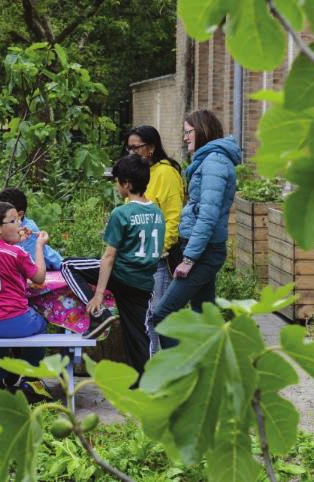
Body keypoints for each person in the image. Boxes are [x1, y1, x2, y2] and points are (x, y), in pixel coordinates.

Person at [61, 155, 165, 375]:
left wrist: (98, 294)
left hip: (121, 274)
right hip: (143, 283)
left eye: (117, 181)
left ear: (126, 184)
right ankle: (144, 384)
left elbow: (108, 256)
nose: (116, 185)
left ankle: (99, 314)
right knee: (138, 334)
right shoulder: (157, 213)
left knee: (68, 265)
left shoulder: (122, 213)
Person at [148, 110, 241, 348]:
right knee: (204, 318)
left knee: (163, 315)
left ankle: (180, 377)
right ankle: (211, 374)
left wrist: (189, 259)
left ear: (202, 131)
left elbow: (208, 216)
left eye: (188, 132)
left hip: (203, 253)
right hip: (202, 250)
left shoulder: (214, 164)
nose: (185, 137)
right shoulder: (209, 161)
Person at [124, 125, 185, 353]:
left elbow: (173, 218)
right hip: (138, 256)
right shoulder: (138, 172)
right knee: (144, 316)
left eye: (135, 148)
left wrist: (157, 249)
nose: (130, 153)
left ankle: (162, 370)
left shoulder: (166, 173)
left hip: (159, 258)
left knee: (155, 314)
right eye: (128, 148)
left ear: (150, 148)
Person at [0, 201, 50, 394]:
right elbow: (39, 277)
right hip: (17, 322)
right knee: (42, 322)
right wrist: (39, 246)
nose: (21, 225)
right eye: (13, 220)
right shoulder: (18, 253)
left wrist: (13, 243)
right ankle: (31, 377)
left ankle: (0, 376)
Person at [0, 187, 63, 271]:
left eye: (1, 213)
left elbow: (33, 269)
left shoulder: (28, 231)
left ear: (19, 215)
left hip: (54, 268)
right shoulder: (1, 225)